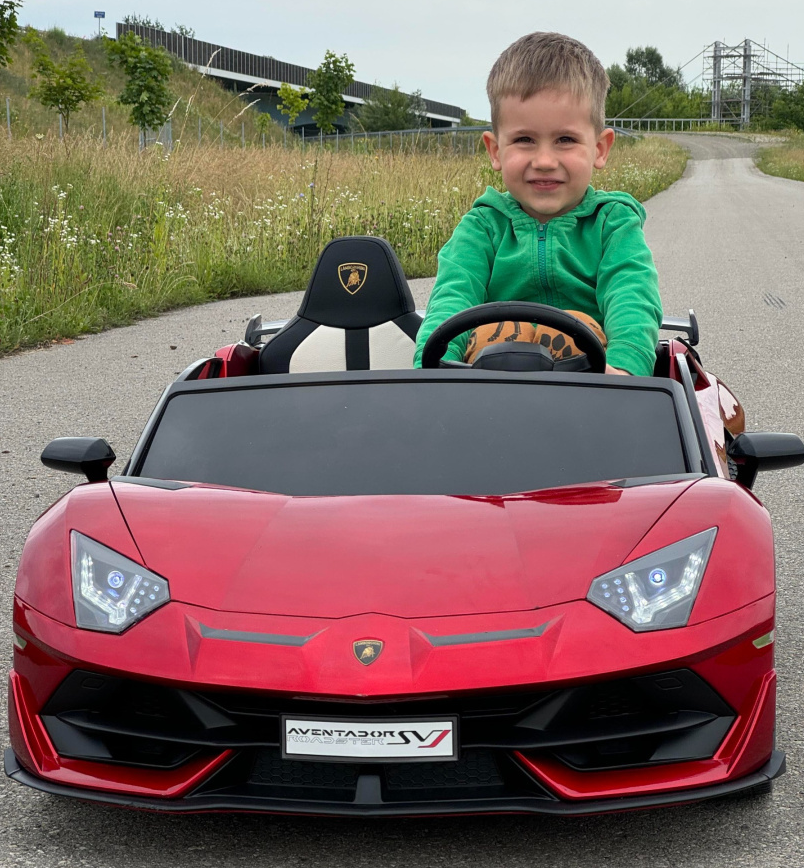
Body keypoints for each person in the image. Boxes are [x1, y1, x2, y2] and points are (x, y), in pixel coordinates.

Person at [413, 32, 663, 376]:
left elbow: (632, 299)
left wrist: (625, 369)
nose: (544, 160)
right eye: (524, 140)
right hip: (488, 392)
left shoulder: (613, 225)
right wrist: (432, 368)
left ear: (600, 149)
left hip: (593, 390)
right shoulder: (482, 227)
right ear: (496, 150)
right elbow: (451, 301)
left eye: (565, 140)